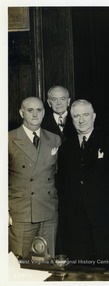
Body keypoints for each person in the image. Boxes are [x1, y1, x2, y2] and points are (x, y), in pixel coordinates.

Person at [57, 99, 109, 260]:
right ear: (71, 119)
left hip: (104, 220)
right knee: (79, 267)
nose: (81, 120)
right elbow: (62, 184)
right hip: (75, 221)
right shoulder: (65, 148)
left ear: (94, 116)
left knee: (104, 268)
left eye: (86, 115)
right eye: (76, 116)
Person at [8, 97, 61, 259]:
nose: (35, 114)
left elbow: (57, 175)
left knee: (47, 263)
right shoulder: (8, 139)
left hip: (48, 212)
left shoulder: (54, 139)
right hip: (22, 213)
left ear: (44, 113)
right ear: (21, 113)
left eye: (39, 110)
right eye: (30, 110)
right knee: (20, 265)